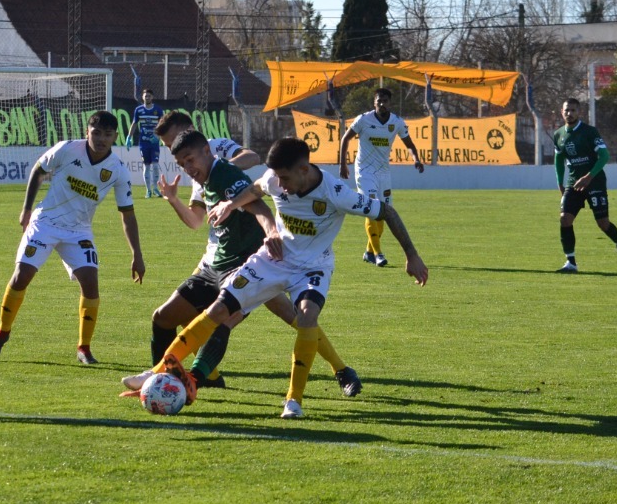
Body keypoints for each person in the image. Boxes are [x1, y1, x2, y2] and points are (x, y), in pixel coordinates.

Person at [129, 137, 428, 419]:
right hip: (272, 260)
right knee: (220, 308)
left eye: (285, 179)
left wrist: (412, 254)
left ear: (304, 169)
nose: (280, 186)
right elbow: (257, 190)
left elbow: (386, 211)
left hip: (313, 267)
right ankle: (157, 373)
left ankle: (293, 400)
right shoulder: (274, 178)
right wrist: (230, 205)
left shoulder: (337, 194)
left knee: (307, 316)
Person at [145, 131, 364, 396]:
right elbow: (195, 221)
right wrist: (174, 200)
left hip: (252, 261)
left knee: (230, 319)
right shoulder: (200, 176)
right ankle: (179, 378)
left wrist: (270, 230)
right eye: (180, 161)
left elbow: (254, 181)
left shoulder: (220, 165)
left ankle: (191, 378)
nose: (186, 167)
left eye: (186, 157)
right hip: (217, 259)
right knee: (293, 318)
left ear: (202, 147)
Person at [0, 110, 145, 364]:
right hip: (45, 223)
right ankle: (2, 333)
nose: (101, 139)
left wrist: (137, 254)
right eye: (96, 133)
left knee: (91, 283)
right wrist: (26, 209)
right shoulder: (67, 149)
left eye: (107, 134)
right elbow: (38, 170)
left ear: (115, 136)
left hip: (78, 231)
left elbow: (128, 215)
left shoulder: (118, 170)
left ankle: (84, 348)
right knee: (21, 275)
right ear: (87, 132)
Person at [338, 88, 424, 267]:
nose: (382, 104)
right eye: (379, 101)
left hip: (383, 171)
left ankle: (369, 251)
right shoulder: (363, 120)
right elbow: (345, 139)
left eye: (385, 101)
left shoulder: (397, 122)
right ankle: (378, 254)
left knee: (383, 211)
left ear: (390, 102)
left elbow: (409, 144)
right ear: (374, 103)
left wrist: (416, 159)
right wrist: (343, 164)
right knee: (370, 208)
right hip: (364, 171)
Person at [552, 97, 617, 273]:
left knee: (602, 223)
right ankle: (571, 262)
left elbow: (604, 156)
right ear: (561, 112)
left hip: (594, 181)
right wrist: (560, 182)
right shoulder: (558, 135)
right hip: (573, 183)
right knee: (565, 218)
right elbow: (558, 160)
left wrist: (588, 176)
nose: (569, 113)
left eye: (573, 110)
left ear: (579, 112)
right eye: (566, 110)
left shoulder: (589, 132)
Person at [154, 109, 261, 172]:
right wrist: (174, 201)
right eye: (168, 147)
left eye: (175, 141)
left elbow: (253, 157)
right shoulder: (188, 167)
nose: (173, 150)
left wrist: (219, 169)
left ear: (191, 129)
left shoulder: (216, 146)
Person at [129, 89, 165, 198]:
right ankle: (148, 190)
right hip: (143, 142)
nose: (147, 98)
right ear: (142, 97)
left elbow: (163, 124)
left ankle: (156, 189)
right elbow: (134, 123)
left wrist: (159, 136)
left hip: (154, 142)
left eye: (149, 96)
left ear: (152, 97)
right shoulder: (138, 110)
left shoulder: (158, 110)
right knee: (146, 166)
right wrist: (129, 137)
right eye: (145, 96)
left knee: (155, 165)